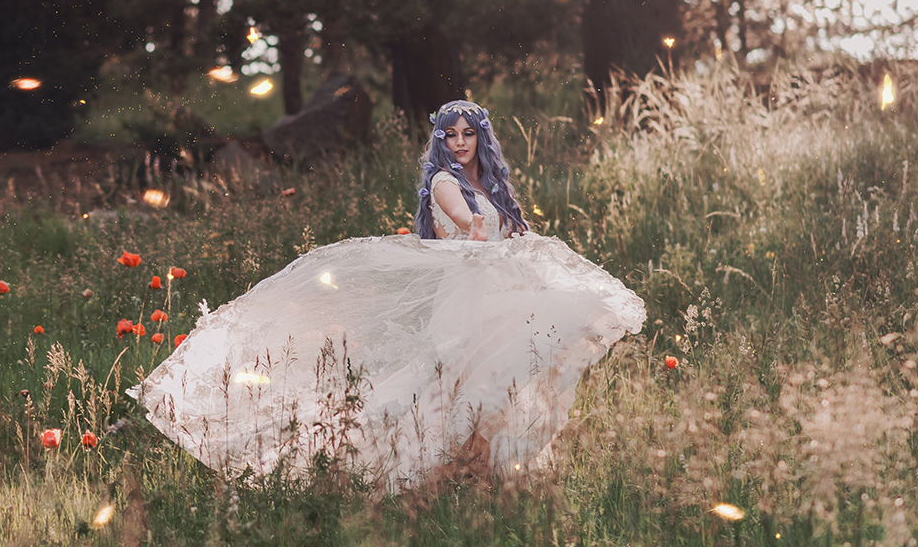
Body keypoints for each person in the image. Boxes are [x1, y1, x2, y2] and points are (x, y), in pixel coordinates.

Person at [129, 99, 645, 490]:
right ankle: (430, 470)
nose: (460, 142)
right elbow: (470, 229)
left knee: (496, 376)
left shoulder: (489, 186)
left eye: (469, 134)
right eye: (451, 134)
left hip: (497, 288)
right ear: (441, 140)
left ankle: (482, 477)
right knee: (457, 378)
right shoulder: (445, 181)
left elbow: (501, 232)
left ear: (481, 139)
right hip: (468, 291)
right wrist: (487, 232)